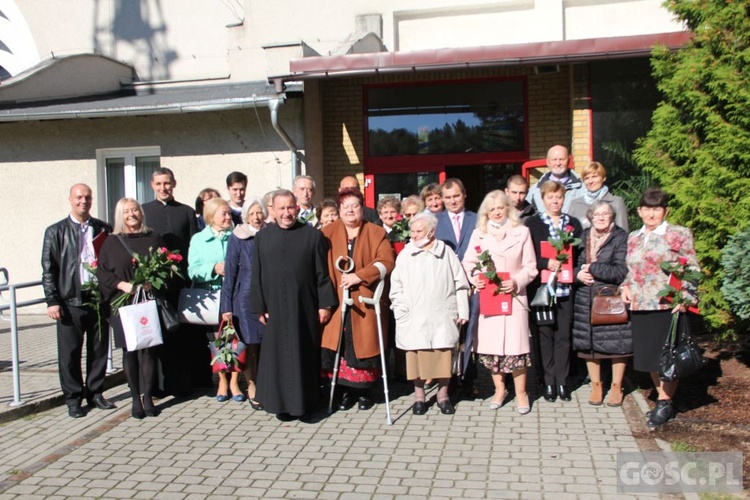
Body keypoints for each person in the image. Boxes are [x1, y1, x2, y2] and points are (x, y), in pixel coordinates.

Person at [250, 189, 338, 420]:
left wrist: (324, 305)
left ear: (297, 208)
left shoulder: (312, 236)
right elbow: (256, 274)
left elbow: (322, 273)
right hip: (274, 309)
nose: (287, 213)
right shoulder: (262, 237)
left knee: (304, 354)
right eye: (282, 208)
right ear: (273, 210)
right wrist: (259, 306)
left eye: (291, 207)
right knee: (277, 356)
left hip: (304, 306)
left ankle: (305, 403)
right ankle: (279, 404)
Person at [621, 188, 699, 428]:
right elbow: (631, 270)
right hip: (640, 305)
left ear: (665, 211)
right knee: (649, 358)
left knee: (667, 357)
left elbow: (692, 268)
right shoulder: (634, 236)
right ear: (639, 211)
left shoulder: (678, 234)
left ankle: (665, 402)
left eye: (656, 209)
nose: (651, 213)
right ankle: (663, 399)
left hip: (667, 304)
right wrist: (624, 285)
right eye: (647, 208)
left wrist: (685, 297)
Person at [42, 183, 114, 418]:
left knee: (99, 349)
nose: (84, 201)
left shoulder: (103, 228)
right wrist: (52, 300)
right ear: (70, 199)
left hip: (97, 299)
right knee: (70, 353)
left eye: (88, 197)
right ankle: (73, 399)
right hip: (69, 300)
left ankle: (95, 393)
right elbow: (48, 269)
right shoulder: (55, 231)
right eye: (79, 197)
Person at [462, 191, 538, 415]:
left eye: (500, 208)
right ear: (486, 212)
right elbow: (469, 261)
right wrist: (475, 277)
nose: (496, 212)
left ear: (508, 209)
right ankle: (499, 389)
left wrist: (516, 281)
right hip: (490, 297)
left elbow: (531, 266)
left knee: (516, 349)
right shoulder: (479, 234)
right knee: (492, 349)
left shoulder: (522, 232)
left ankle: (522, 393)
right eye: (492, 209)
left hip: (514, 297)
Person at [321, 187, 396, 411]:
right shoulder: (327, 232)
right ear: (339, 209)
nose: (351, 210)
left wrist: (359, 276)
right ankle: (343, 392)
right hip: (336, 302)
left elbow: (386, 262)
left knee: (363, 346)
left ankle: (363, 393)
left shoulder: (376, 232)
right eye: (346, 206)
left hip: (365, 302)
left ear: (362, 208)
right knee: (340, 347)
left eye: (355, 205)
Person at [390, 213, 470, 415]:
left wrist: (462, 309)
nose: (414, 235)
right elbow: (396, 286)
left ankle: (443, 396)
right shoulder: (405, 254)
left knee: (443, 358)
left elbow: (461, 283)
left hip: (441, 316)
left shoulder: (446, 253)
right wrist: (400, 308)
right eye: (413, 231)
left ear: (431, 232)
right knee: (416, 358)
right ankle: (419, 398)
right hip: (414, 316)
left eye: (419, 231)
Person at [97, 198, 168, 419]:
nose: (131, 214)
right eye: (126, 211)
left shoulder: (153, 237)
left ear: (141, 212)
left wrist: (153, 282)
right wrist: (122, 284)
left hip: (146, 301)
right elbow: (103, 272)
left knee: (148, 350)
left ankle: (148, 397)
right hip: (123, 303)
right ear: (120, 215)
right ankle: (135, 398)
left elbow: (164, 266)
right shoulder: (112, 241)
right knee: (130, 351)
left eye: (135, 210)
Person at [142, 168, 200, 395]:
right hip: (155, 283)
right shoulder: (145, 211)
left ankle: (182, 384)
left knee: (181, 334)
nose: (163, 188)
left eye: (167, 183)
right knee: (156, 332)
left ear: (174, 183)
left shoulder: (185, 212)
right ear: (152, 185)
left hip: (180, 282)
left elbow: (192, 247)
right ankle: (156, 385)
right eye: (159, 184)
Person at [524, 181, 583, 402]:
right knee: (545, 336)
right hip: (543, 290)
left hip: (566, 289)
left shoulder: (573, 224)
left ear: (564, 198)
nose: (555, 201)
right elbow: (528, 254)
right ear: (543, 199)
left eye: (558, 197)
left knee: (564, 337)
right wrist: (545, 262)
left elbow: (578, 255)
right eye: (550, 197)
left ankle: (562, 381)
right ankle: (548, 381)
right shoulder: (533, 223)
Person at [572, 200, 632, 407]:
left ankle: (616, 386)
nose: (600, 217)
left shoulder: (621, 237)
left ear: (612, 217)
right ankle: (596, 385)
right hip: (584, 297)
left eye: (605, 214)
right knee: (588, 345)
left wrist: (593, 268)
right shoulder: (583, 236)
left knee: (617, 344)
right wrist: (577, 274)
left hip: (609, 297)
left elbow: (620, 271)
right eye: (596, 214)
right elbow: (572, 265)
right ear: (590, 217)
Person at [188, 198, 239, 402]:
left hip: (234, 296)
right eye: (223, 214)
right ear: (211, 216)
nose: (228, 217)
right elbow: (193, 271)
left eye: (229, 213)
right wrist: (213, 269)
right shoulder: (199, 240)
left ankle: (235, 380)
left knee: (236, 339)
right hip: (211, 297)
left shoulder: (236, 236)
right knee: (217, 341)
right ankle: (222, 380)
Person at [434, 178, 479, 397]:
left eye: (456, 196)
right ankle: (448, 381)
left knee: (470, 334)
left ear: (464, 195)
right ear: (442, 199)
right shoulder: (434, 221)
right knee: (449, 335)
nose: (452, 201)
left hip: (472, 285)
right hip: (446, 288)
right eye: (448, 197)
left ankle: (469, 380)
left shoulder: (478, 219)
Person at [220, 197, 266, 410]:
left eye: (260, 213)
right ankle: (251, 384)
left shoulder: (269, 234)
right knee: (249, 344)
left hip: (267, 297)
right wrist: (226, 307)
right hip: (244, 299)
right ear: (246, 215)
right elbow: (230, 274)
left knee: (265, 344)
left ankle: (265, 383)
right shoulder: (238, 237)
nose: (257, 217)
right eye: (253, 213)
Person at [568, 162, 628, 231]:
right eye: (587, 178)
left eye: (594, 176)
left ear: (603, 178)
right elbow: (569, 233)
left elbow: (623, 233)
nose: (590, 181)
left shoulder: (616, 203)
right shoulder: (575, 204)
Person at [527, 145, 585, 214]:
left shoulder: (582, 188)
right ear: (548, 162)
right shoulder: (535, 191)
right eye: (554, 160)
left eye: (561, 159)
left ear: (569, 161)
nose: (558, 163)